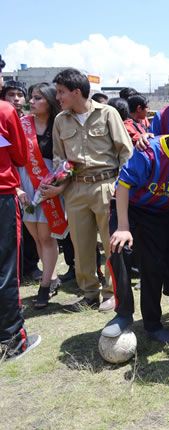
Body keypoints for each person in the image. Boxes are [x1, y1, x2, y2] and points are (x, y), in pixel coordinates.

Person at [102, 105, 169, 343]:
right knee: (119, 251)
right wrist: (123, 227)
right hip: (130, 209)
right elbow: (123, 186)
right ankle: (123, 314)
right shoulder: (149, 149)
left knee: (153, 266)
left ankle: (152, 323)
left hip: (159, 215)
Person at [44, 68, 133, 311]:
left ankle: (112, 292)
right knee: (81, 245)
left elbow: (126, 153)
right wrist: (60, 185)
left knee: (111, 243)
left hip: (107, 186)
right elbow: (59, 158)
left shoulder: (108, 113)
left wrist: (121, 187)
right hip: (75, 189)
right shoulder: (60, 120)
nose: (57, 97)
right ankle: (89, 293)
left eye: (61, 92)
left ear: (76, 92)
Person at [15, 83, 64, 308]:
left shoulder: (60, 124)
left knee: (46, 237)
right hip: (25, 183)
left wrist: (59, 183)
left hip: (49, 185)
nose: (31, 102)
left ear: (50, 101)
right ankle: (51, 277)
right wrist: (17, 187)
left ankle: (44, 286)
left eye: (37, 98)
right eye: (31, 97)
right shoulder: (22, 123)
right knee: (35, 236)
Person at [0, 100, 41, 359]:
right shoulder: (4, 110)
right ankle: (12, 339)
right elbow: (20, 157)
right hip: (2, 195)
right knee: (5, 269)